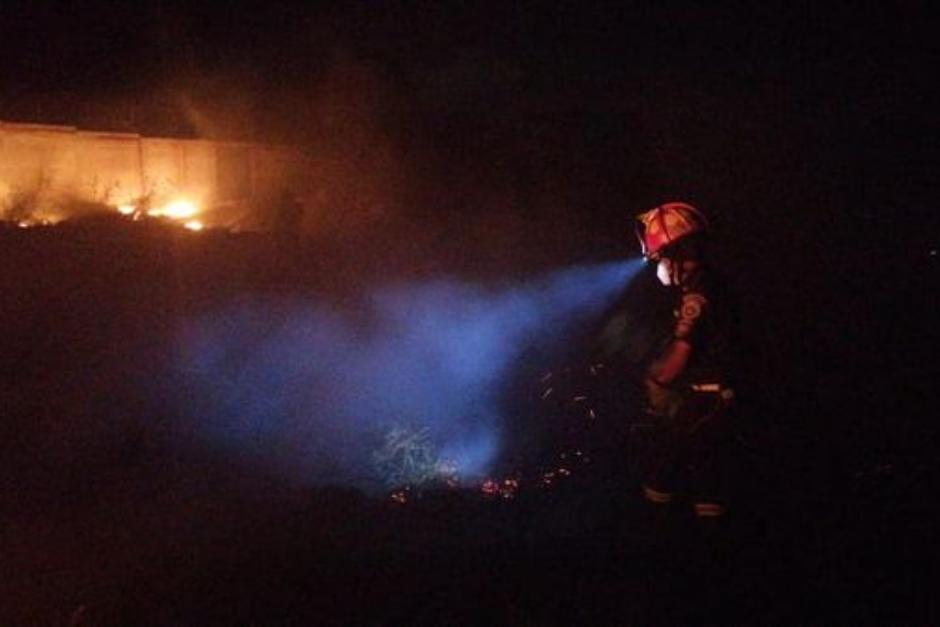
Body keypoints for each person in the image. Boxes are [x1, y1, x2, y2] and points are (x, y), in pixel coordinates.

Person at [634, 201, 738, 518]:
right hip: (714, 403)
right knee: (706, 490)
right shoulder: (707, 284)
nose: (659, 266)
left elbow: (683, 349)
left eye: (661, 257)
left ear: (677, 253)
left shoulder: (698, 294)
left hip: (704, 406)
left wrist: (657, 381)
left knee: (660, 484)